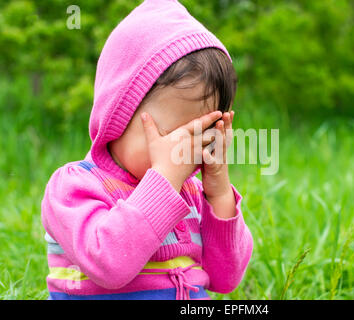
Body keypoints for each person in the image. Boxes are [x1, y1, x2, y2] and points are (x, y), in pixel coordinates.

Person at [41, 0, 253, 300]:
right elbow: (109, 265)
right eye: (176, 136)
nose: (184, 155)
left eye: (200, 137)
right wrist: (163, 181)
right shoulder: (74, 187)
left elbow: (226, 279)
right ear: (118, 116)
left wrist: (218, 194)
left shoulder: (190, 195)